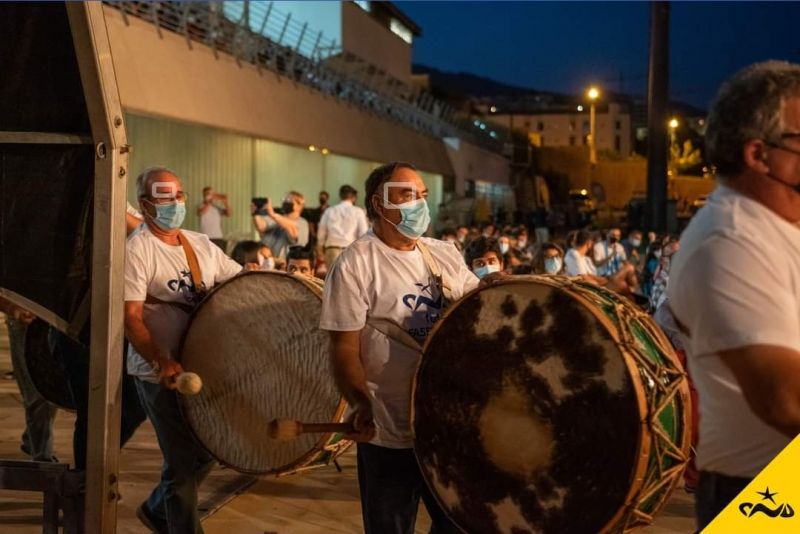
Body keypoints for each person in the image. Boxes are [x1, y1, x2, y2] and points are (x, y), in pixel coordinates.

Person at [668, 61, 800, 530]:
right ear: (759, 154)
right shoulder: (729, 242)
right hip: (763, 491)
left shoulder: (778, 230)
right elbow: (786, 400)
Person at [320, 162, 478, 534]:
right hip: (389, 426)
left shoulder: (443, 253)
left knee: (460, 524)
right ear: (379, 203)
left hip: (445, 421)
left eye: (422, 195)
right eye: (407, 195)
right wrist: (360, 401)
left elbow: (479, 305)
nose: (419, 203)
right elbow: (344, 349)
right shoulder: (356, 263)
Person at [124, 167, 244, 533]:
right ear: (144, 204)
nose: (175, 204)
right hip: (159, 374)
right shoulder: (137, 249)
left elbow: (239, 282)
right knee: (181, 463)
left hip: (202, 366)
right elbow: (131, 317)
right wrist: (160, 359)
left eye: (178, 196)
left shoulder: (201, 243)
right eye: (165, 198)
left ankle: (156, 510)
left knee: (209, 450)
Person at [0, 297, 58, 462]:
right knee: (37, 391)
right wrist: (13, 308)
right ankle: (43, 459)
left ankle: (32, 439)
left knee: (54, 390)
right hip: (26, 319)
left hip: (56, 317)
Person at [565, 230, 639, 294]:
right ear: (589, 243)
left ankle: (632, 290)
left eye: (617, 235)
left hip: (603, 282)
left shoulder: (584, 258)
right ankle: (633, 290)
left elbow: (590, 275)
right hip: (596, 289)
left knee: (625, 279)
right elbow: (585, 278)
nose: (615, 237)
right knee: (628, 270)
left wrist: (605, 280)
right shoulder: (574, 255)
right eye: (613, 235)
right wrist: (602, 284)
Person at [316, 184, 369, 268]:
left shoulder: (329, 211)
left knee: (333, 276)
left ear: (340, 196)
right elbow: (363, 234)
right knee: (351, 276)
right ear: (354, 198)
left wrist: (320, 248)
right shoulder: (358, 211)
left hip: (332, 249)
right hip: (351, 250)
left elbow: (321, 232)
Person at [251, 191, 309, 260]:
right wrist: (255, 213)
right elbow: (261, 227)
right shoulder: (277, 218)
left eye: (288, 200)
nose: (285, 202)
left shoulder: (302, 223)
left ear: (299, 206)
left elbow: (293, 231)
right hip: (267, 260)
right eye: (284, 199)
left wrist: (272, 214)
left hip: (285, 263)